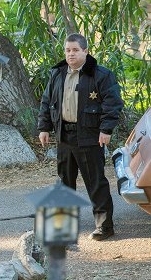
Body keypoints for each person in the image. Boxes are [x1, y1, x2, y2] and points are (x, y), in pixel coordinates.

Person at [37, 33, 123, 241]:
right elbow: (46, 101)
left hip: (90, 136)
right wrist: (44, 127)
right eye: (68, 50)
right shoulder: (57, 74)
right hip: (64, 136)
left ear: (85, 51)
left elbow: (112, 104)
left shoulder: (101, 75)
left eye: (75, 50)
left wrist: (106, 130)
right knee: (65, 182)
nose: (71, 54)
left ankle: (104, 226)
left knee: (95, 182)